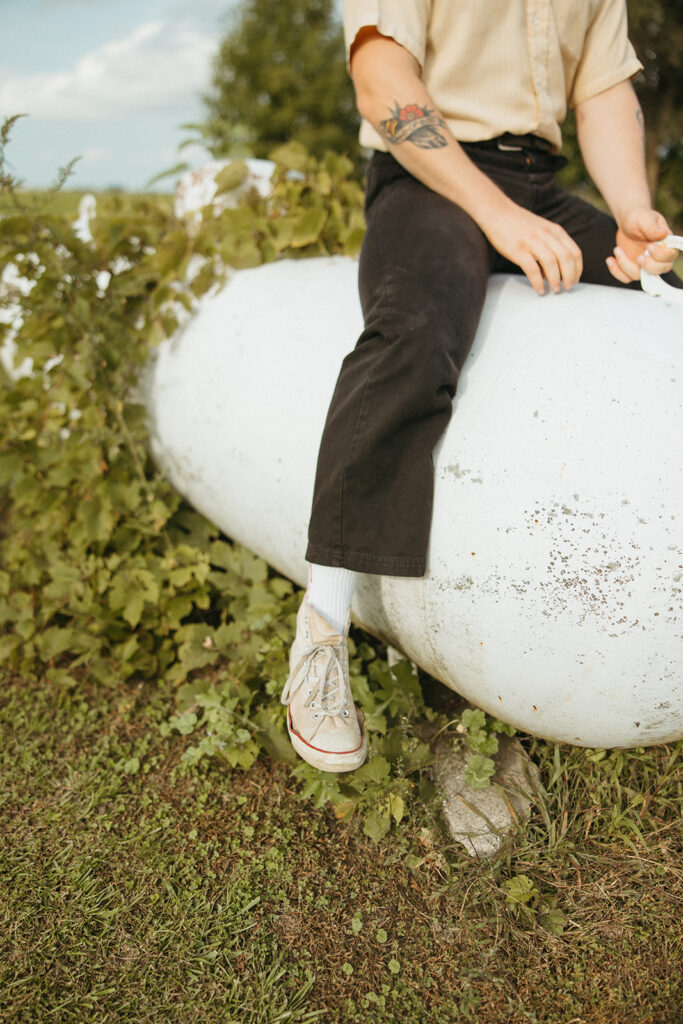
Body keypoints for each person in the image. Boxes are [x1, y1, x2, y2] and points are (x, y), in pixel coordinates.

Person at [279, 0, 682, 772]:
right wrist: (495, 217)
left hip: (539, 184)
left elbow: (602, 94)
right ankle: (322, 630)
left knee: (661, 299)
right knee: (412, 335)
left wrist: (631, 212)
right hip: (430, 174)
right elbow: (380, 84)